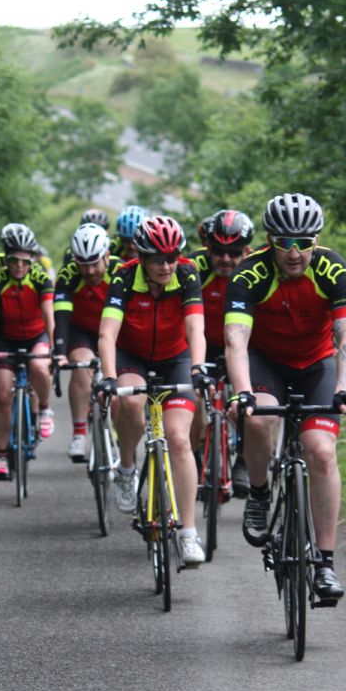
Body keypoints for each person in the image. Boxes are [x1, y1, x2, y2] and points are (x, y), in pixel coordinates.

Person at [224, 193, 346, 601]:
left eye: (303, 243)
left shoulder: (334, 270)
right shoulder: (249, 274)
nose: (293, 252)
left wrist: (344, 391)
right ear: (270, 240)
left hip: (316, 364)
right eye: (284, 242)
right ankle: (259, 492)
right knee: (259, 418)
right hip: (265, 362)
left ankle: (325, 564)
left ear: (315, 240)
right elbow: (236, 341)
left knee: (320, 450)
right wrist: (243, 394)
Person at [96, 215, 208, 566]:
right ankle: (127, 468)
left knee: (178, 439)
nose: (166, 266)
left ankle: (188, 533)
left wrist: (198, 368)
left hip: (176, 357)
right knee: (131, 404)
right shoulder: (124, 276)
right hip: (133, 357)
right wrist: (109, 377)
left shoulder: (187, 273)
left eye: (172, 257)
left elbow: (196, 327)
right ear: (142, 257)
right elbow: (107, 333)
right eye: (158, 259)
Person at [188, 209, 256, 497]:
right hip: (203, 345)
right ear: (207, 247)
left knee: (253, 399)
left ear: (247, 251)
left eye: (234, 252)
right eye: (218, 251)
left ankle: (244, 460)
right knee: (192, 400)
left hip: (244, 346)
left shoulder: (255, 271)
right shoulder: (194, 268)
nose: (226, 259)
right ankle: (193, 457)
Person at [0, 223, 55, 480]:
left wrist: (55, 347)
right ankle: (2, 454)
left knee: (39, 366)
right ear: (7, 259)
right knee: (3, 394)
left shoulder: (41, 278)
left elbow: (49, 316)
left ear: (32, 260)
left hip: (36, 335)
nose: (19, 266)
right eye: (14, 260)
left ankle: (44, 408)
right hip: (6, 339)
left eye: (25, 261)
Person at [52, 223, 121, 461]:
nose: (90, 271)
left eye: (94, 263)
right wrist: (60, 352)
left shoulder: (122, 271)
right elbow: (61, 316)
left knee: (120, 379)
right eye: (83, 264)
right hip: (81, 331)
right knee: (82, 369)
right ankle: (79, 433)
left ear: (107, 256)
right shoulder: (68, 275)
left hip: (115, 331)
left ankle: (120, 430)